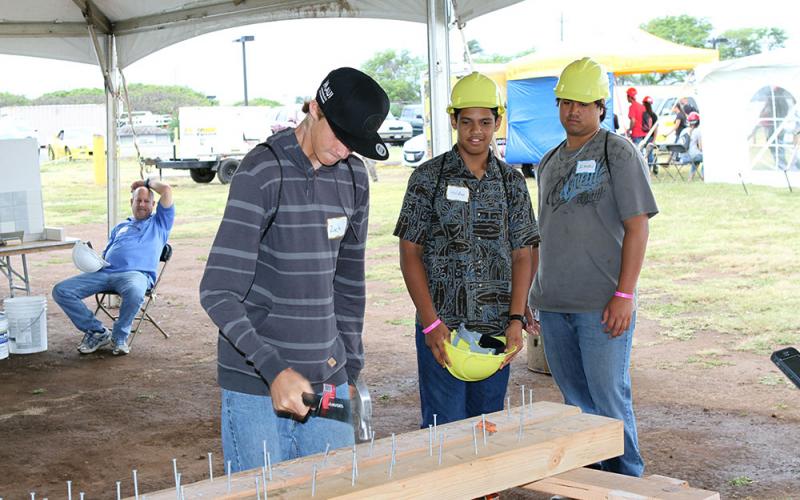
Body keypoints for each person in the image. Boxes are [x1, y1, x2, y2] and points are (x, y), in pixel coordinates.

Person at [199, 67, 388, 471]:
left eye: (353, 145)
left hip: (328, 380)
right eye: (339, 137)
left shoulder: (354, 177)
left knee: (335, 489)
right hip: (256, 385)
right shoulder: (262, 172)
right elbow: (217, 290)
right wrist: (273, 369)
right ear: (314, 109)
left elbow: (349, 283)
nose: (343, 151)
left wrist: (350, 369)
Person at [529, 57, 658, 477]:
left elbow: (637, 228)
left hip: (602, 305)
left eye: (583, 103)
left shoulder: (616, 152)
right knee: (576, 404)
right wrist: (531, 294)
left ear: (601, 106)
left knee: (607, 399)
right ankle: (589, 483)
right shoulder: (548, 161)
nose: (573, 111)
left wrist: (624, 294)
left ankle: (628, 482)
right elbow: (541, 233)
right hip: (553, 304)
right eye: (566, 102)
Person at [394, 72, 540, 427]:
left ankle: (488, 487)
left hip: (495, 328)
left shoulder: (511, 183)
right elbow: (409, 252)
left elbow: (524, 254)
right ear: (453, 121)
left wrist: (516, 319)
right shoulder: (428, 177)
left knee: (487, 425)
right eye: (468, 122)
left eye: (486, 122)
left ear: (498, 122)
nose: (477, 131)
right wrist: (430, 323)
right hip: (442, 327)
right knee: (444, 429)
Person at [52, 178, 174, 356]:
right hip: (104, 272)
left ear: (153, 204)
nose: (142, 204)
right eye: (138, 200)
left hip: (136, 275)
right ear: (131, 202)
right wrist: (93, 260)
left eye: (146, 201)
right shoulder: (120, 227)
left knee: (134, 290)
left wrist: (145, 182)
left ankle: (120, 337)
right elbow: (107, 253)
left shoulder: (160, 223)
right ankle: (97, 332)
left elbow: (167, 190)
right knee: (61, 290)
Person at [679, 111, 703, 180]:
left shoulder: (683, 131)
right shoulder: (698, 131)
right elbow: (701, 148)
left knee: (696, 159)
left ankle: (690, 178)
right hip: (691, 157)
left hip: (683, 157)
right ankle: (703, 175)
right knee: (705, 158)